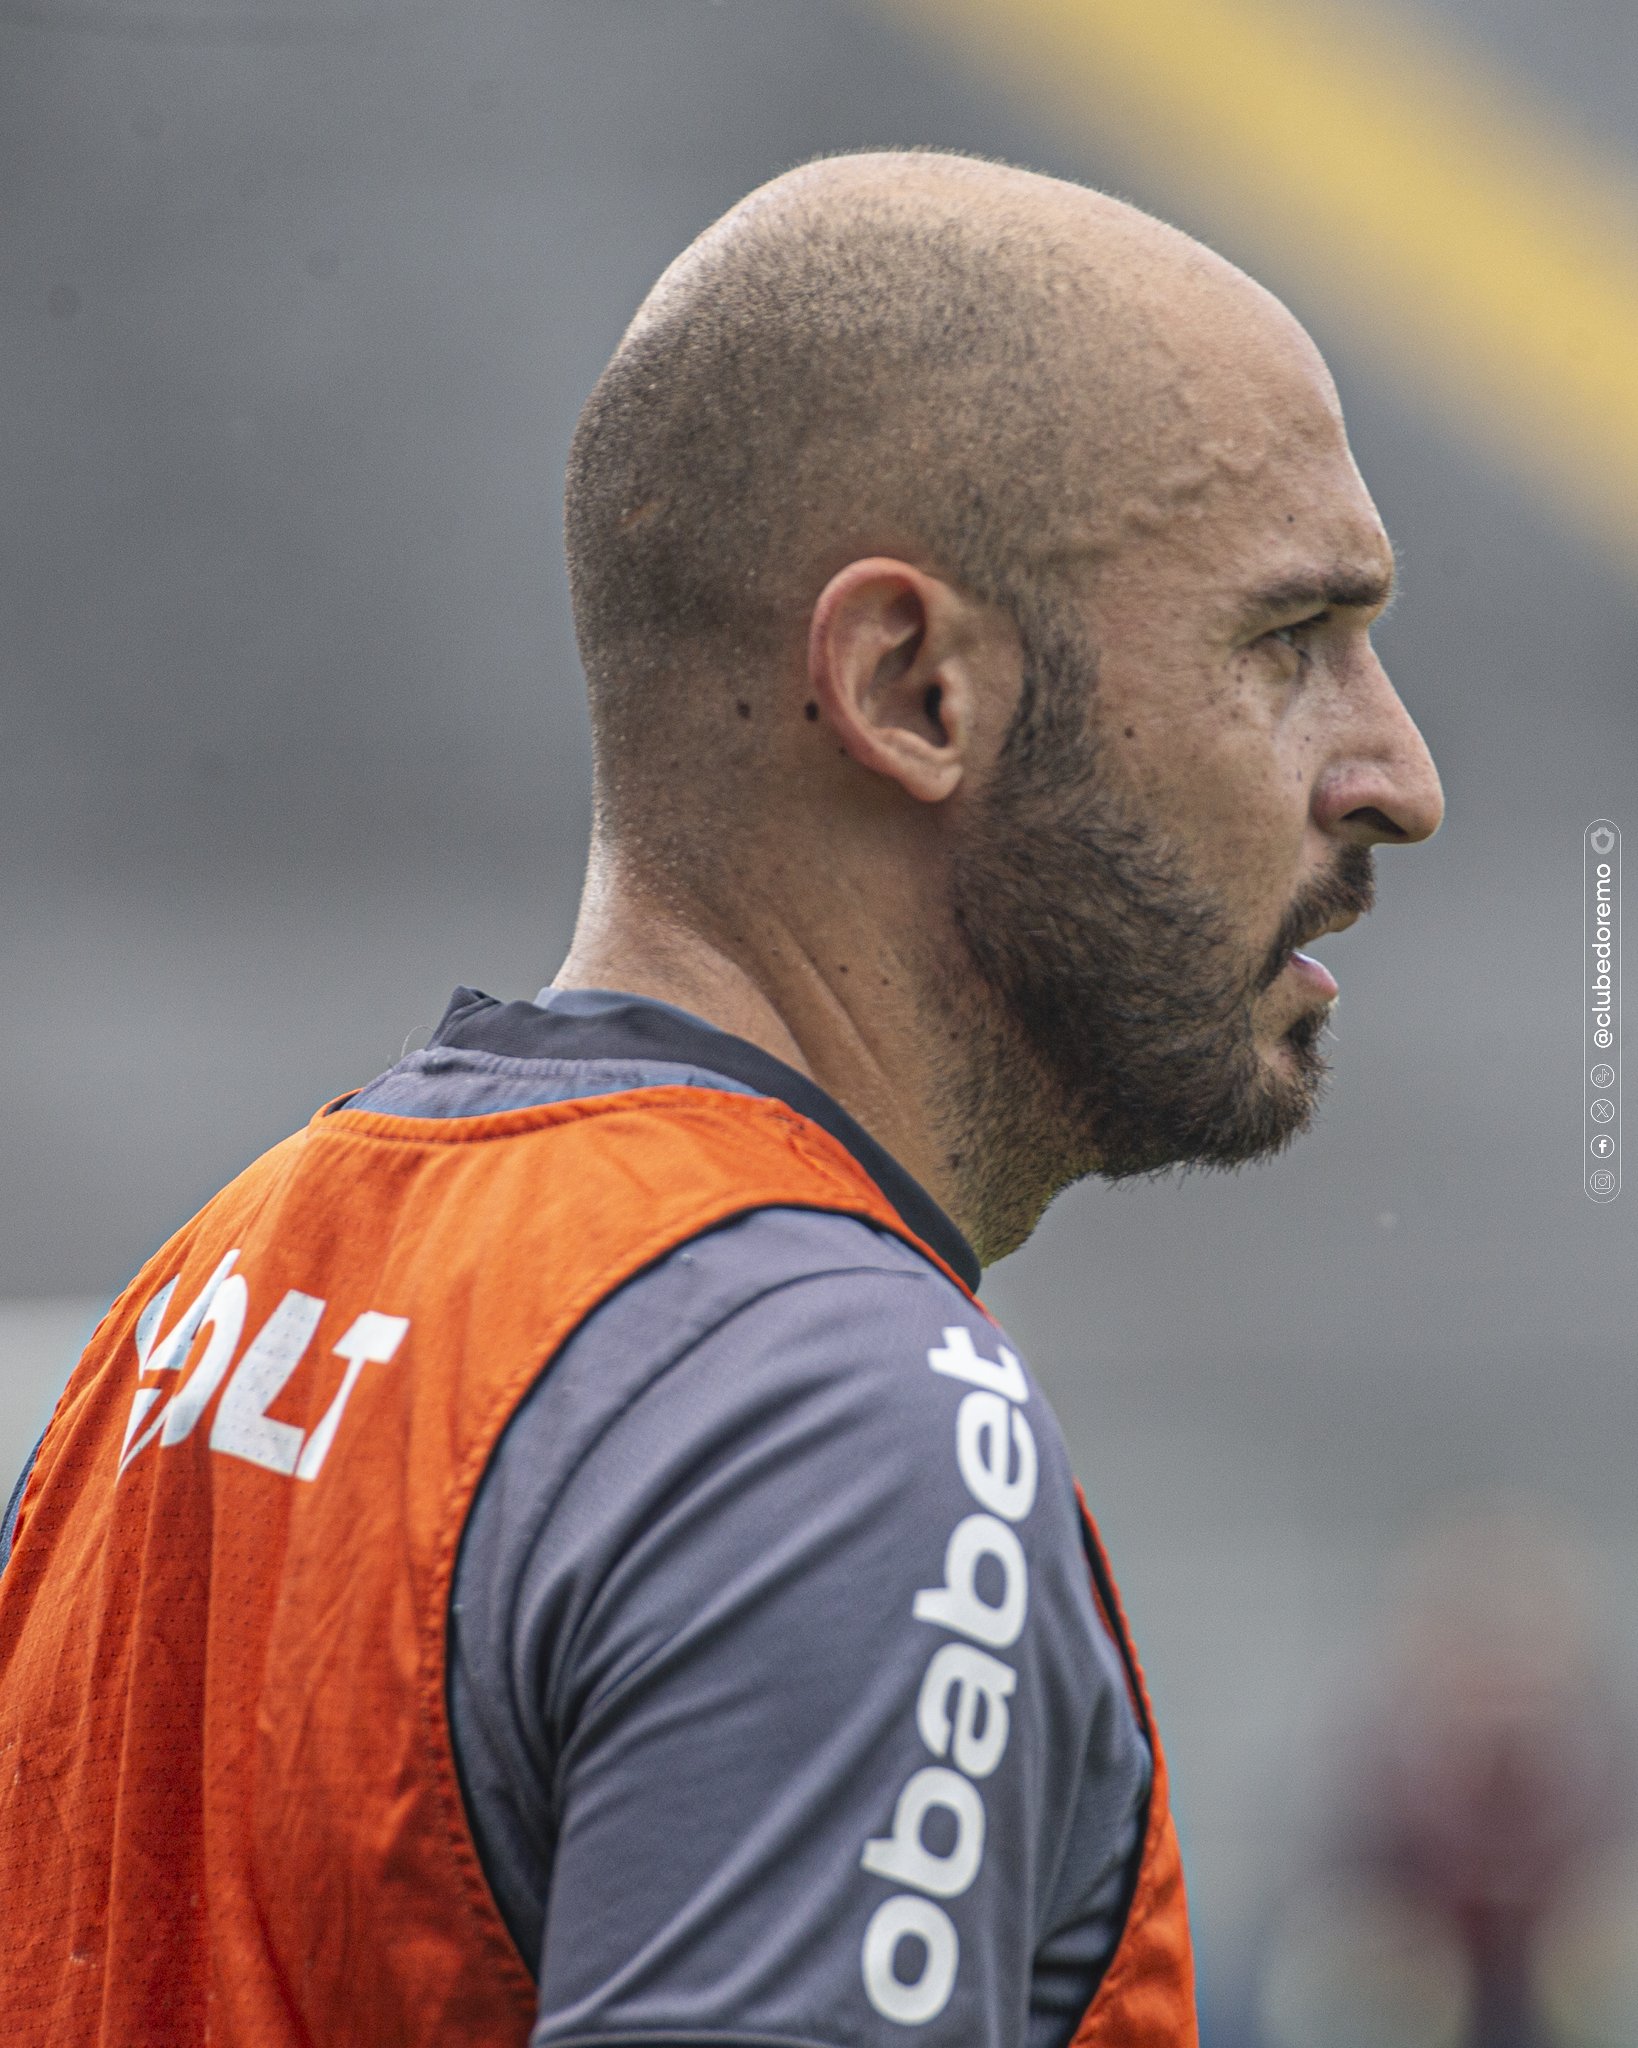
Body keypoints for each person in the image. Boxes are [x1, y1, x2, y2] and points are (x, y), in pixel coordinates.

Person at [0, 149, 1442, 2048]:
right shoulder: (831, 1423)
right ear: (912, 689)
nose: (1397, 775)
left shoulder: (206, 1298)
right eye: (1286, 643)